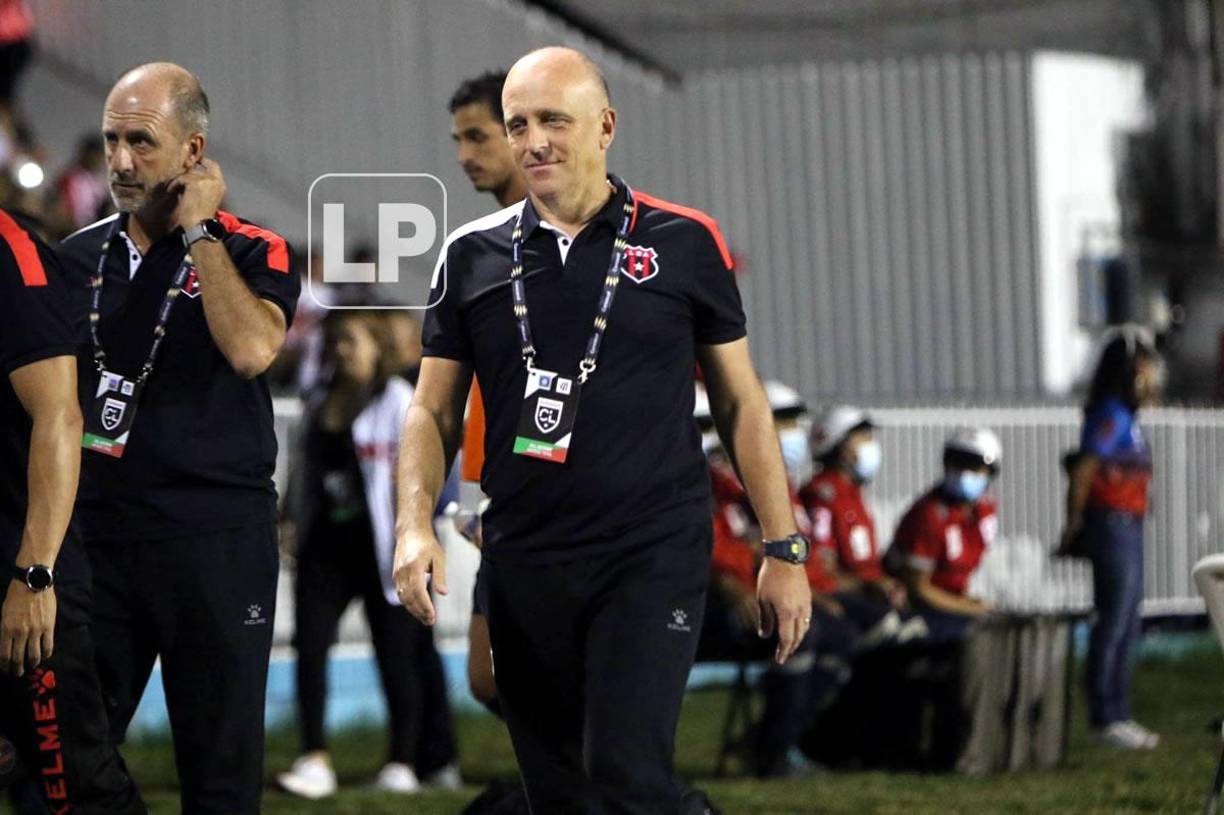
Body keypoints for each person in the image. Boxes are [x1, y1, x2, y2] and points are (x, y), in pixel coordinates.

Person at [394, 47, 811, 813]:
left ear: (605, 126)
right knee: (562, 794)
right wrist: (412, 523)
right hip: (523, 556)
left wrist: (781, 546)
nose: (535, 141)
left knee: (624, 767)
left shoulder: (685, 241)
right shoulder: (469, 256)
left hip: (648, 550)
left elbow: (741, 403)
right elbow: (431, 410)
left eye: (555, 120)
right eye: (518, 125)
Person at [56, 63, 298, 815]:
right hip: (98, 542)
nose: (122, 161)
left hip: (216, 543)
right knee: (60, 769)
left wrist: (198, 231)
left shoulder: (255, 248)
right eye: (111, 141)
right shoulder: (72, 260)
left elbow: (253, 349)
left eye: (143, 142)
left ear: (194, 152)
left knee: (220, 779)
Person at [276, 311, 458, 799]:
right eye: (336, 342)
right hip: (325, 551)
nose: (341, 351)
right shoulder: (319, 402)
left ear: (376, 348)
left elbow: (426, 470)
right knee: (310, 649)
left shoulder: (400, 403)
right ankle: (314, 757)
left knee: (397, 656)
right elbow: (303, 470)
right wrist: (289, 517)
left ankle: (402, 761)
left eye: (351, 342)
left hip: (384, 550)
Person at [0, 207, 144, 813]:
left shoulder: (11, 253)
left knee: (76, 791)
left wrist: (35, 576)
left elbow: (59, 417)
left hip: (18, 577)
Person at [698, 382, 855, 779]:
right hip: (710, 602)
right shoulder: (711, 483)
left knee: (838, 631)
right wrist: (733, 582)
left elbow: (794, 548)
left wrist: (810, 587)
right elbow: (711, 550)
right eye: (781, 422)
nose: (790, 433)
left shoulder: (766, 482)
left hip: (746, 593)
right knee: (806, 629)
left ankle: (775, 741)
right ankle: (773, 749)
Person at [448, 68, 529, 715]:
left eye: (477, 137)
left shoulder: (564, 243)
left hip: (562, 500)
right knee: (491, 676)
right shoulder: (478, 252)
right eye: (458, 140)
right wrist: (473, 493)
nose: (464, 156)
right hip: (501, 500)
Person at [1061, 326, 1161, 750]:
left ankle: (1119, 709)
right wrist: (1075, 522)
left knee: (1128, 618)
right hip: (1111, 522)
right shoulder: (1111, 413)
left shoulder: (1127, 414)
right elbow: (1086, 468)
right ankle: (1106, 714)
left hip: (1128, 521)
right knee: (1115, 618)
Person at [802, 407, 910, 641]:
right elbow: (823, 569)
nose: (870, 445)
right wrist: (868, 585)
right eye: (862, 438)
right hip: (843, 598)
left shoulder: (852, 494)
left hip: (868, 593)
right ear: (840, 447)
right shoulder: (822, 496)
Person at [886, 428, 1000, 643]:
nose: (965, 472)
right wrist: (968, 608)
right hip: (918, 610)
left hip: (948, 604)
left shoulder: (983, 513)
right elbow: (918, 589)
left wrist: (968, 604)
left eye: (975, 466)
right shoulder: (930, 516)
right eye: (958, 463)